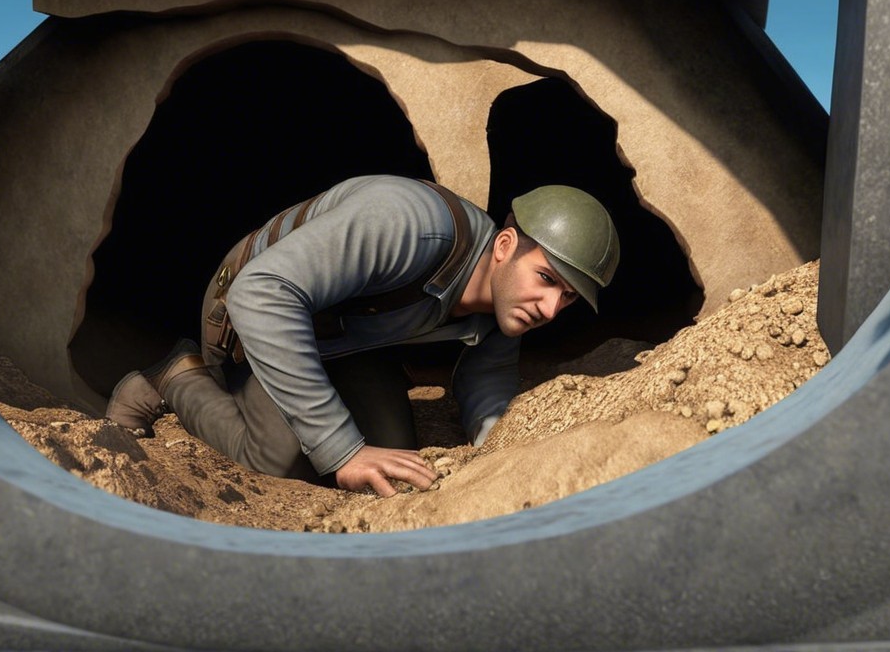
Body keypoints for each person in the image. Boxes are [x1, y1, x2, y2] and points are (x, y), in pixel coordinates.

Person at [105, 174, 619, 497]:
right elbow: (260, 293)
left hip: (345, 341)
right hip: (251, 317)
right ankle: (175, 377)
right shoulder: (411, 226)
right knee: (284, 458)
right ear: (505, 245)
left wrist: (506, 453)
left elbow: (488, 381)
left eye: (569, 298)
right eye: (547, 279)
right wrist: (342, 450)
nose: (551, 308)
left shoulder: (507, 302)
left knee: (392, 460)